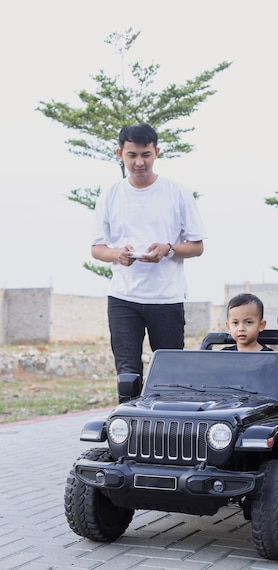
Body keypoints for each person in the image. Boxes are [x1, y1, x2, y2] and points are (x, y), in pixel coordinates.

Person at [91, 123, 206, 385]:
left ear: (157, 152)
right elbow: (97, 248)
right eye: (132, 155)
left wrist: (169, 249)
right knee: (128, 376)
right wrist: (117, 255)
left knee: (171, 375)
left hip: (166, 297)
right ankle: (127, 425)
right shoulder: (110, 195)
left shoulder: (177, 192)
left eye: (146, 154)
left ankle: (170, 425)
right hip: (123, 297)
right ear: (120, 154)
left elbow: (197, 246)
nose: (139, 162)